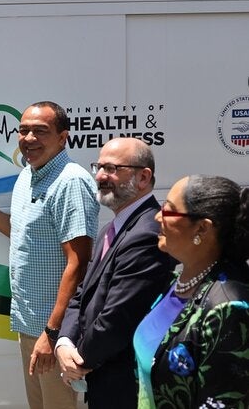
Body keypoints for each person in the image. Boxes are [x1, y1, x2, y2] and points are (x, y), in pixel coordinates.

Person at [0, 101, 99, 409]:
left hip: (54, 330)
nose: (29, 138)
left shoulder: (70, 182)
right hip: (30, 324)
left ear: (63, 137)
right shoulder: (28, 175)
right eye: (23, 130)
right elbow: (23, 232)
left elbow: (78, 262)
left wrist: (53, 332)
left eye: (40, 131)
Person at [55, 138, 174, 408]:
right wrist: (64, 342)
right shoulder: (111, 229)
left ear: (143, 177)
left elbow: (118, 317)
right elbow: (83, 293)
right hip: (104, 380)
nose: (99, 176)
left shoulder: (147, 234)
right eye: (98, 167)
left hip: (125, 386)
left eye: (111, 169)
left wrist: (78, 361)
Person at [134, 175, 249, 408]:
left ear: (202, 228)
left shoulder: (229, 308)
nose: (157, 216)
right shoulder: (177, 282)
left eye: (168, 210)